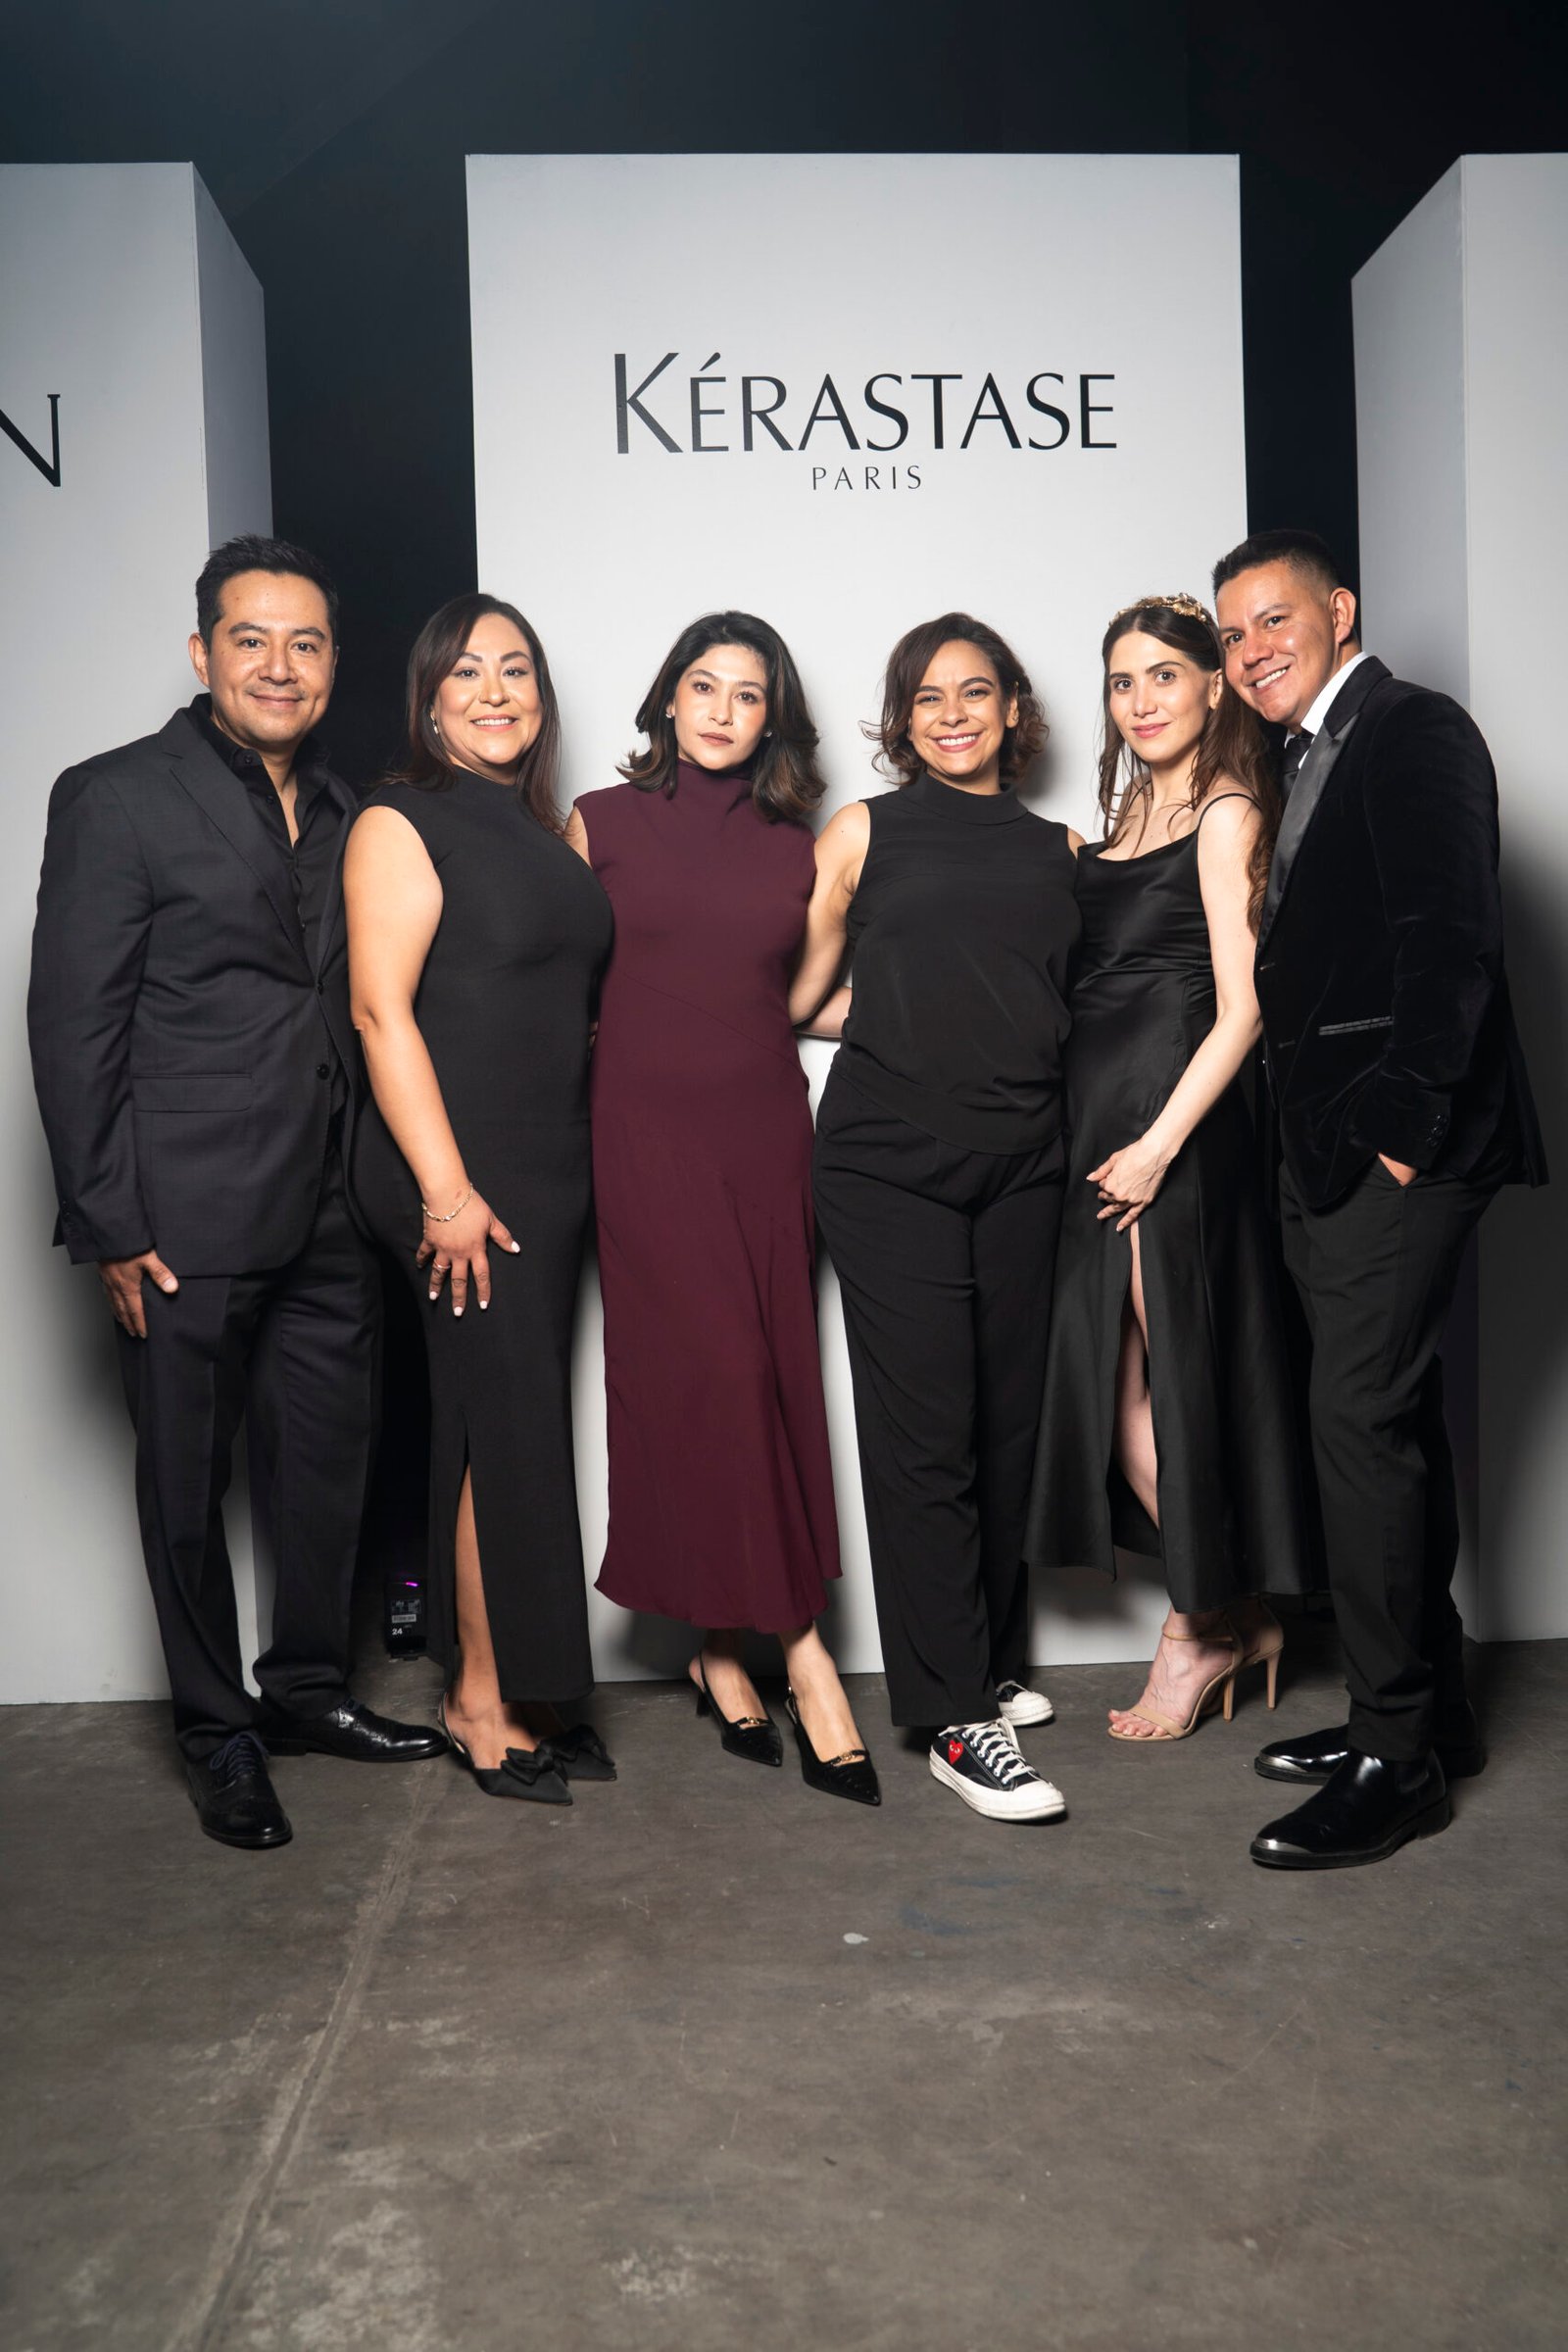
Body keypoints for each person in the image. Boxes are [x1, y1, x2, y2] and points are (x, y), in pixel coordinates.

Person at [27, 535, 444, 1852]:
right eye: (250, 639)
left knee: (325, 1468)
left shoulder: (349, 809)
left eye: (304, 643)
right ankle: (218, 1736)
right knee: (184, 1488)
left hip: (332, 1205)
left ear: (333, 664)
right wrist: (109, 1219)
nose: (279, 665)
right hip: (180, 1218)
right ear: (201, 652)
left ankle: (307, 1691)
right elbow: (72, 1024)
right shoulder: (114, 796)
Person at [1212, 528, 1545, 1870]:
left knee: (1356, 1424)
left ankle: (1395, 1760)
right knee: (1384, 1423)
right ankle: (1429, 1710)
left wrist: (1398, 1136)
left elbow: (1450, 941)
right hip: (1325, 1152)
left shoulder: (1415, 730)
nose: (1251, 651)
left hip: (1397, 1150)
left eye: (1273, 619)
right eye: (1232, 635)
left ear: (1339, 610)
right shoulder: (1305, 754)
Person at [564, 613, 877, 1806]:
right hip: (640, 1140)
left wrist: (935, 1010)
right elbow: (551, 981)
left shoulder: (801, 845)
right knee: (707, 1374)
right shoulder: (596, 820)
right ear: (667, 698)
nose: (722, 712)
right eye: (704, 686)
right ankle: (806, 1655)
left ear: (772, 720)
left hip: (761, 1135)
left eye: (748, 696)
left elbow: (796, 998)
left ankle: (715, 1648)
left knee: (759, 1379)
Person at [805, 614, 1078, 1822]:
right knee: (923, 1437)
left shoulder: (1063, 850)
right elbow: (796, 991)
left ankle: (989, 1661)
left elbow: (1070, 1003)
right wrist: (892, 1014)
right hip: (889, 1166)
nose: (952, 714)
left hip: (1026, 1165)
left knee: (1006, 1429)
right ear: (901, 720)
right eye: (927, 698)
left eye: (974, 693)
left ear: (1012, 708)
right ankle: (953, 1718)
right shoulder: (863, 831)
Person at [345, 593, 615, 1807]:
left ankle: (536, 1686)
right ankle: (478, 1700)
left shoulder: (550, 835)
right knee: (492, 1425)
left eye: (515, 670)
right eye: (466, 672)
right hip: (454, 1165)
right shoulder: (400, 819)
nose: (495, 691)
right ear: (429, 697)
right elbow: (378, 1012)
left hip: (546, 1160)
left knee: (518, 1422)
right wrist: (445, 1191)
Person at [1026, 595, 1307, 1740]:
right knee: (1118, 1388)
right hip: (1102, 1124)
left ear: (1210, 685)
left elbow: (1244, 1009)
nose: (1139, 700)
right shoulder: (1128, 809)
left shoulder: (1228, 809)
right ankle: (1235, 1610)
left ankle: (1197, 1629)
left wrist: (1156, 1146)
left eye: (1162, 676)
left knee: (1174, 1378)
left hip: (1168, 1127)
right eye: (1120, 680)